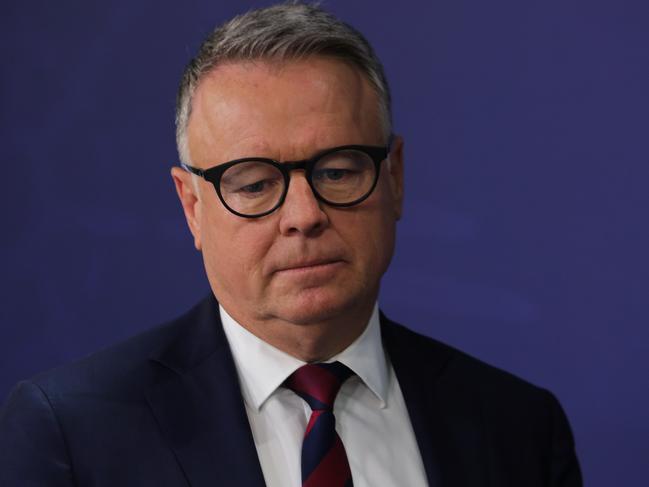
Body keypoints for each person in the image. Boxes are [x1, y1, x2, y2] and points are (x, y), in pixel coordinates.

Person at [0, 3, 582, 486]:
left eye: (338, 171)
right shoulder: (71, 433)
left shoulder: (519, 428)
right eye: (253, 184)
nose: (304, 216)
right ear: (191, 207)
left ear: (395, 178)